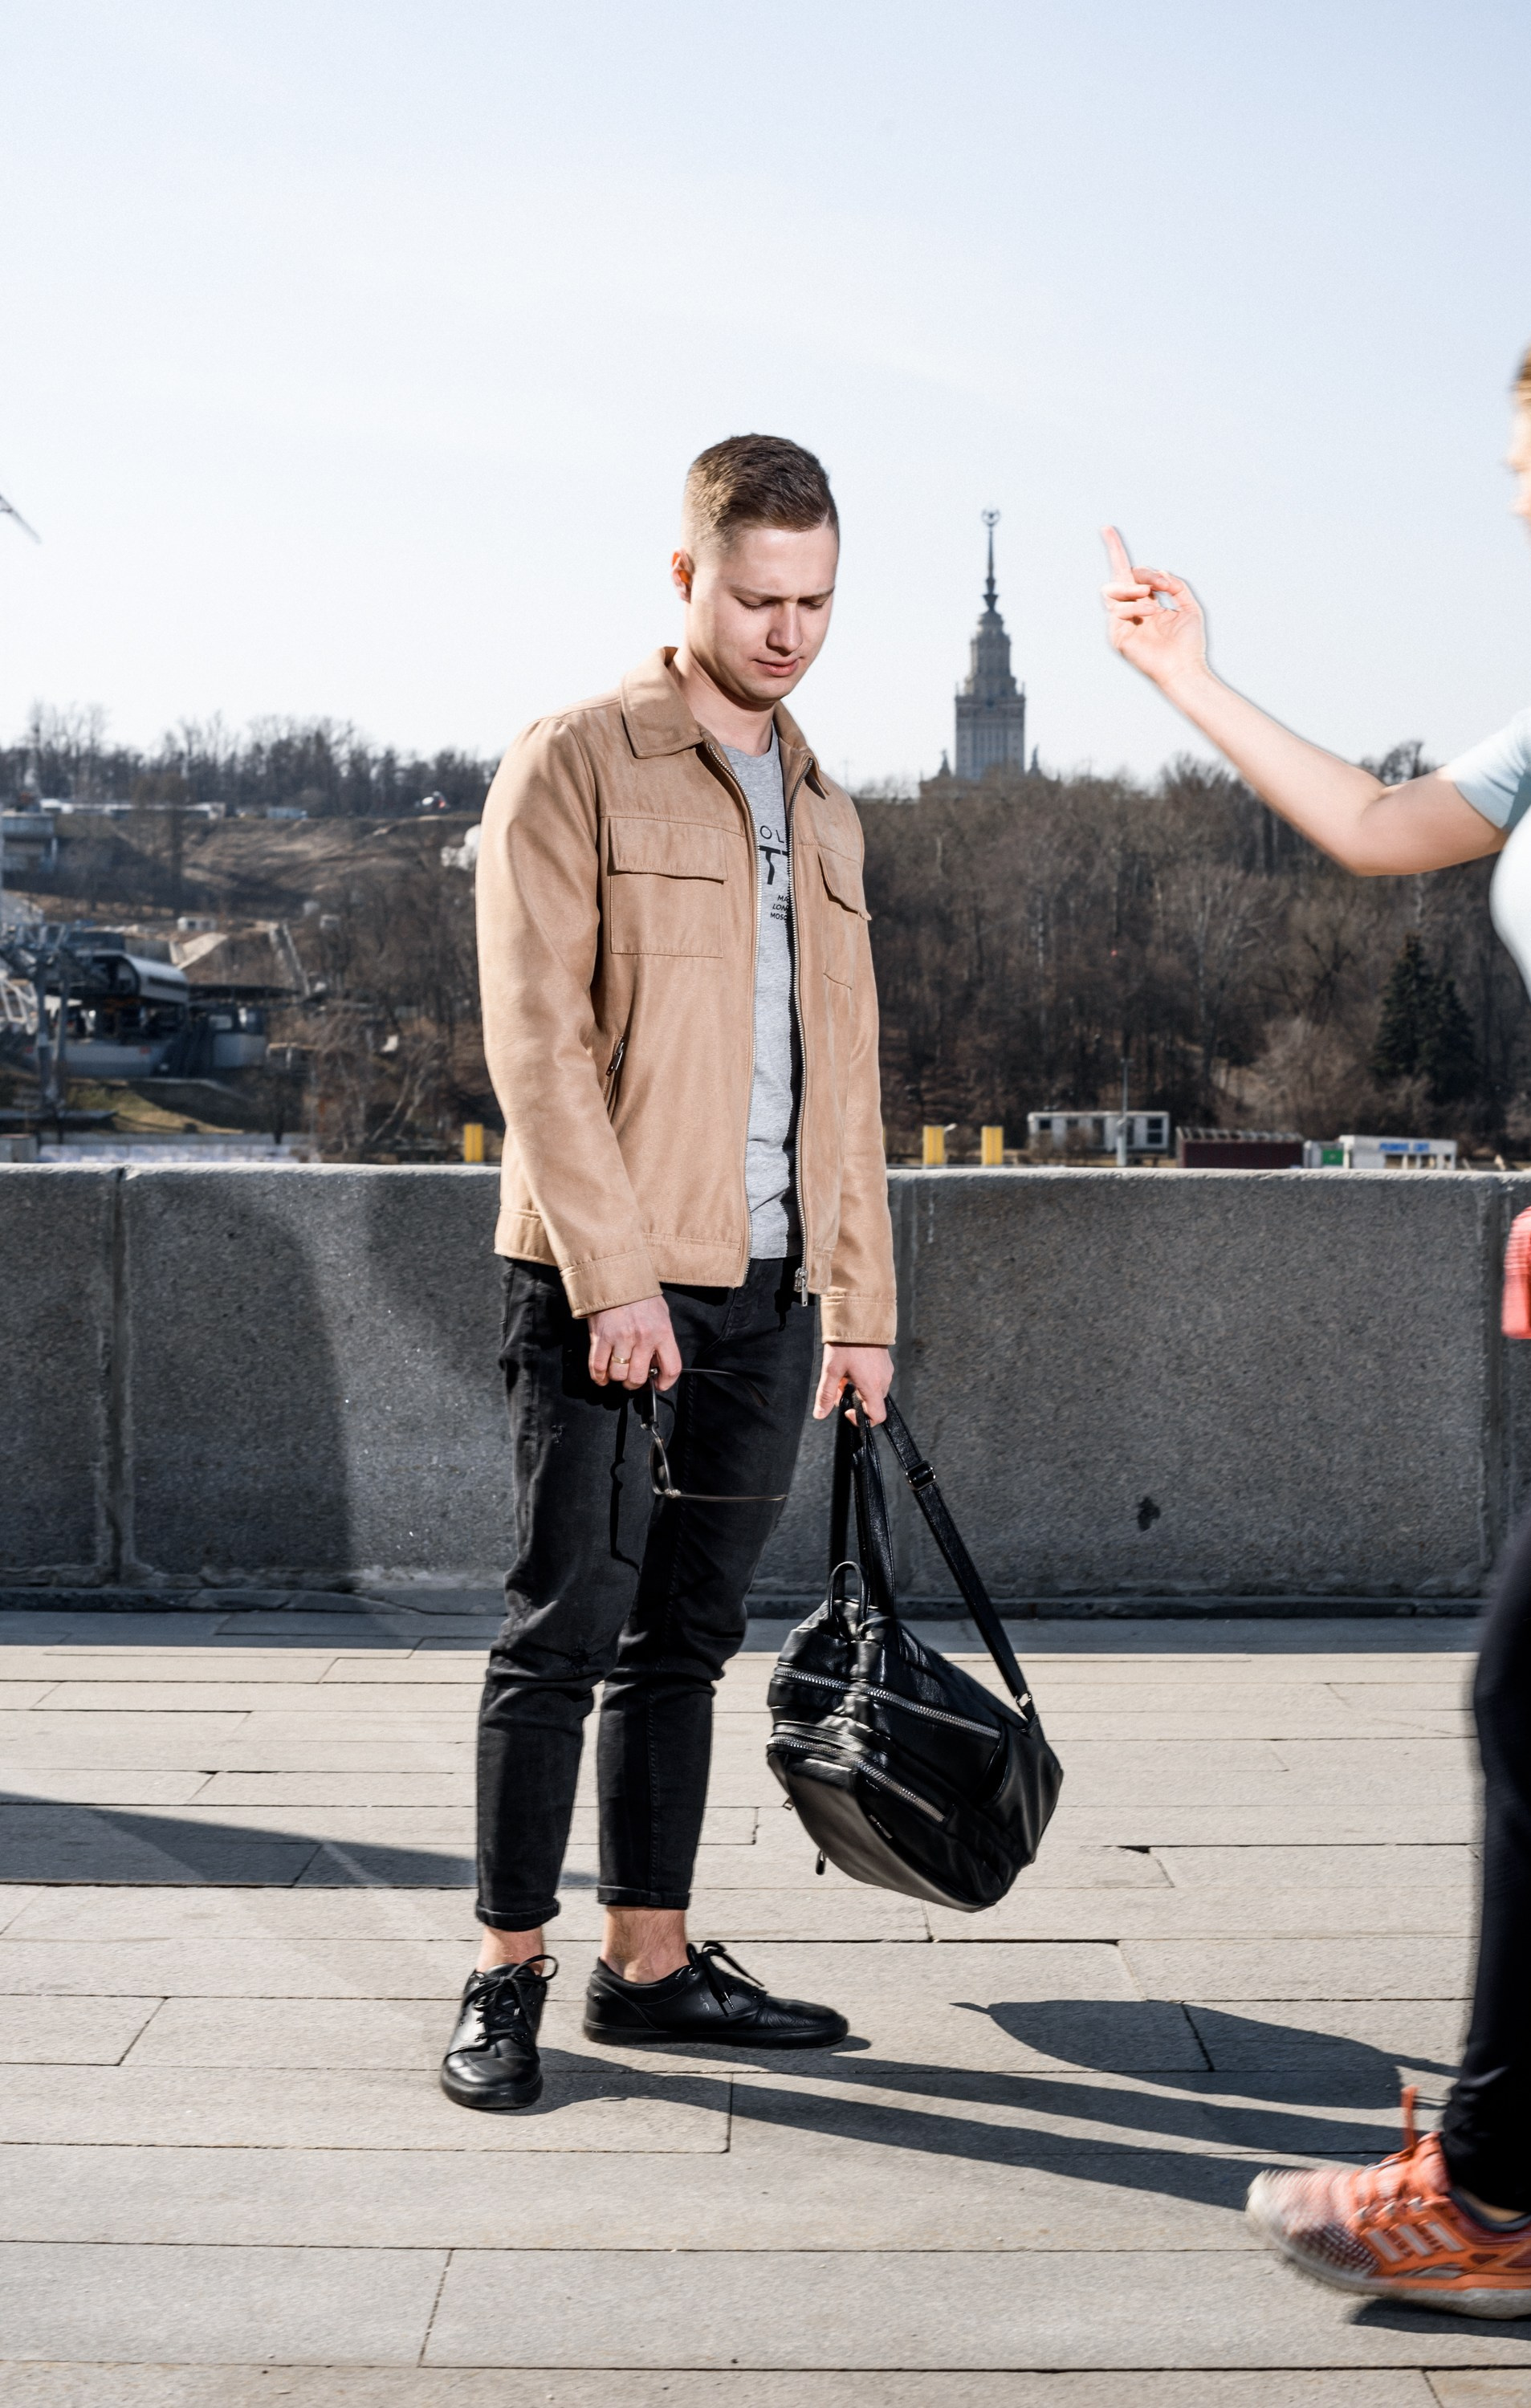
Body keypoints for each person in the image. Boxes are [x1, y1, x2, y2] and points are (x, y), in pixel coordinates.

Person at [1101, 288, 1531, 2319]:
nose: (1509, 510)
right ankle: (1489, 2162)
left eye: (1518, 472)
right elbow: (1385, 827)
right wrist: (1190, 678)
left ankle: (1485, 2198)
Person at [442, 434, 897, 2110]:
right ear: (687, 578)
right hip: (602, 1289)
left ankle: (650, 1961)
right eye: (761, 596)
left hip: (775, 1296)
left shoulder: (828, 802)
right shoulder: (573, 762)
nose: (790, 632)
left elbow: (846, 1084)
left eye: (818, 601)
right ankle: (505, 1975)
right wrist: (614, 1279)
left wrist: (862, 1309)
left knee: (689, 1642)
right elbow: (539, 1047)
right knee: (561, 1628)